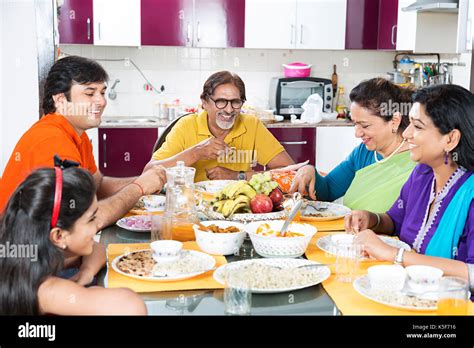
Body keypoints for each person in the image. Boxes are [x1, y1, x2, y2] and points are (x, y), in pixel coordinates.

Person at [0, 56, 166, 225]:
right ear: (61, 100)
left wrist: (144, 180)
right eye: (89, 93)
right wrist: (139, 188)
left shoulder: (77, 133)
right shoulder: (51, 140)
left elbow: (98, 185)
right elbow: (83, 221)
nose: (101, 101)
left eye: (102, 92)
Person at [345, 84, 474, 290]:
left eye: (418, 126)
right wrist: (371, 219)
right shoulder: (422, 174)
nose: (406, 134)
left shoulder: (470, 194)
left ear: (451, 139)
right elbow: (394, 220)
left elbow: (472, 273)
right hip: (405, 295)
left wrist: (395, 255)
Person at [0, 167, 146, 315]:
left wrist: (86, 272)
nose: (97, 225)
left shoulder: (30, 254)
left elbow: (97, 248)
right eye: (91, 219)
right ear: (58, 236)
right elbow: (132, 307)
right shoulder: (45, 290)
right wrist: (84, 293)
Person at [274, 78, 416, 213]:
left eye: (365, 125)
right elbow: (328, 191)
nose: (357, 133)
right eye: (355, 124)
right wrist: (310, 171)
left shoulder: (417, 161)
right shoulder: (364, 153)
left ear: (395, 121)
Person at [147, 71, 294, 182]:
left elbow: (289, 172)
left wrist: (238, 176)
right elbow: (148, 172)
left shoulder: (251, 125)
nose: (229, 110)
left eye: (235, 102)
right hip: (193, 207)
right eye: (221, 101)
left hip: (240, 208)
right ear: (204, 102)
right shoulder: (186, 126)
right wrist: (197, 153)